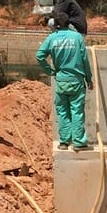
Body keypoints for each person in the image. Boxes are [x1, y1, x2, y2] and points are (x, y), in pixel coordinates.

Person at [36, 15, 93, 150]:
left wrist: (50, 71)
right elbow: (84, 59)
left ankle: (64, 142)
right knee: (77, 111)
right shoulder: (77, 37)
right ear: (69, 23)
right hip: (76, 81)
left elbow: (39, 56)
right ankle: (78, 142)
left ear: (55, 24)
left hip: (61, 81)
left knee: (62, 112)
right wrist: (89, 79)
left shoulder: (52, 38)